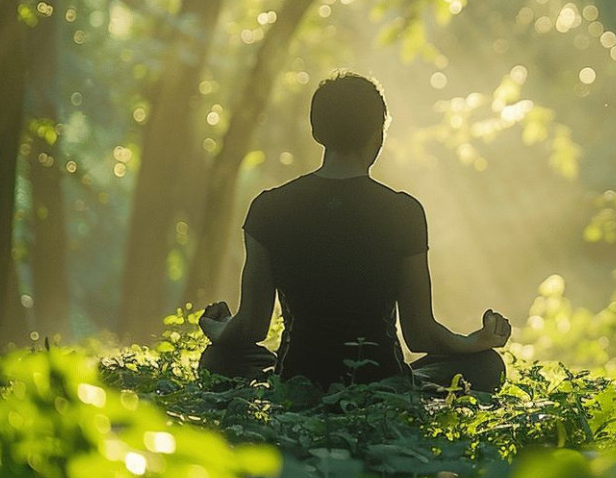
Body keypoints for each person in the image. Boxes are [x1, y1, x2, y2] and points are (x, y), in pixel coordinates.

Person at [198, 71, 512, 393]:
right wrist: (474, 341)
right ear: (378, 135)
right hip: (382, 384)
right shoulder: (404, 212)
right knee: (486, 365)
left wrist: (218, 330)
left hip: (297, 381)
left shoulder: (268, 208)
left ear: (316, 132)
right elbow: (419, 334)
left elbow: (251, 326)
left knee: (218, 358)